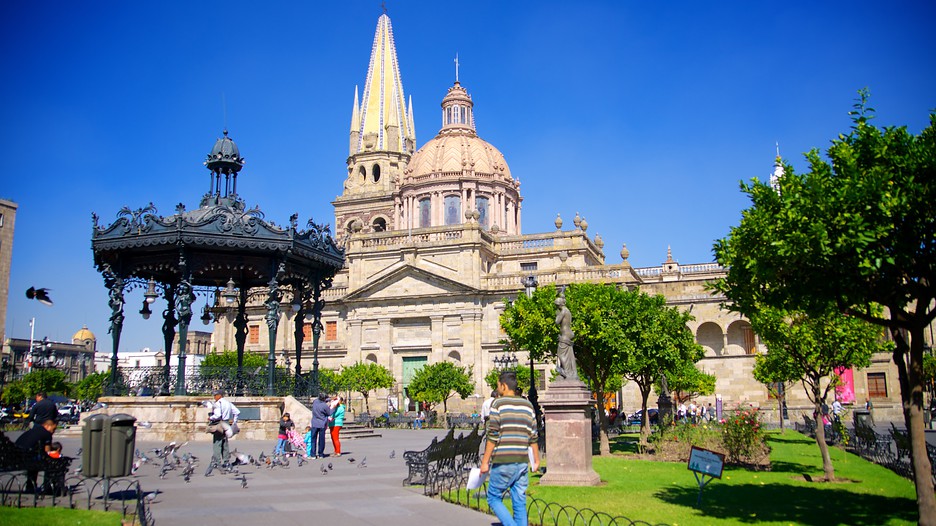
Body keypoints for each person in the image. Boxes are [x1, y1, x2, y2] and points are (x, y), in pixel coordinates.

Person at [481, 371, 539, 526]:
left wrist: (485, 462)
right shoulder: (528, 405)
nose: (497, 388)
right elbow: (533, 435)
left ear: (504, 386)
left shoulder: (498, 404)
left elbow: (493, 435)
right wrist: (536, 460)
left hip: (503, 460)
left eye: (498, 385)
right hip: (521, 461)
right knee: (519, 500)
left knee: (493, 498)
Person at [15, 418, 57, 491]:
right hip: (26, 458)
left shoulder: (34, 430)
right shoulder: (47, 434)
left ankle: (30, 485)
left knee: (34, 461)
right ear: (47, 426)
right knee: (51, 462)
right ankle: (48, 487)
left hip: (17, 456)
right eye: (53, 429)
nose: (53, 431)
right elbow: (47, 451)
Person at [208, 389, 239, 465]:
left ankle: (217, 461)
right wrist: (234, 422)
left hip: (219, 423)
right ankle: (226, 460)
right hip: (226, 423)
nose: (214, 397)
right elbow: (237, 412)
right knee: (225, 442)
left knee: (217, 443)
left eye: (215, 395)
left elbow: (217, 415)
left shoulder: (217, 404)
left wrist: (211, 418)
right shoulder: (228, 403)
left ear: (219, 395)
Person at [554, 293, 578, 380]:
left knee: (561, 354)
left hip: (565, 335)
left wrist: (557, 314)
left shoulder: (563, 311)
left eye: (557, 306)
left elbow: (557, 321)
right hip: (567, 334)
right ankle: (568, 372)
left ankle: (567, 373)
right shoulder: (567, 310)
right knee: (568, 355)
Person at [310, 392, 333, 458]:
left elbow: (321, 400)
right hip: (322, 424)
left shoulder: (315, 402)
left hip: (314, 423)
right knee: (321, 440)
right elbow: (329, 413)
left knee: (313, 439)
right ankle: (321, 453)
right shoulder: (324, 406)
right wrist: (333, 407)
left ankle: (313, 454)